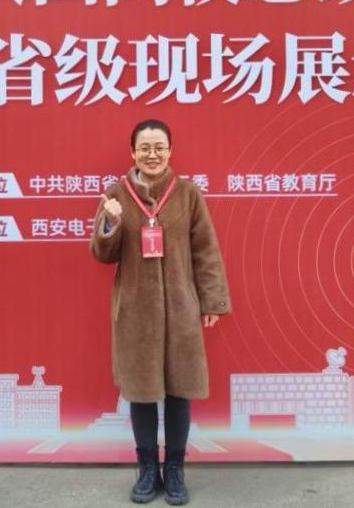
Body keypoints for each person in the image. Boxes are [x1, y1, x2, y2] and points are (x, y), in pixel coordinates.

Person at [90, 118, 232, 506]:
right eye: (144, 148)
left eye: (159, 147)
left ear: (170, 151)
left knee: (179, 390)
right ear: (133, 152)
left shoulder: (187, 194)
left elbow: (206, 250)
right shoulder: (115, 194)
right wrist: (111, 222)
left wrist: (212, 301)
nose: (152, 154)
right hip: (135, 311)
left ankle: (175, 469)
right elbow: (102, 253)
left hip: (181, 307)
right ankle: (148, 468)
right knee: (141, 391)